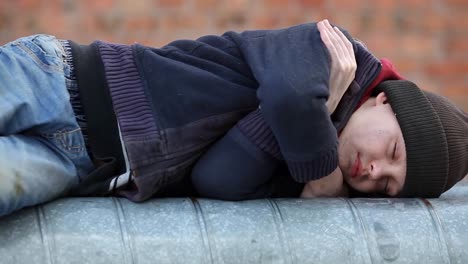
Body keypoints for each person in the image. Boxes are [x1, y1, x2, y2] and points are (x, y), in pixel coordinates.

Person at [0, 19, 466, 217]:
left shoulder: (305, 159)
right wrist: (322, 172)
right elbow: (287, 95)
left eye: (387, 185)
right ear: (383, 102)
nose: (374, 171)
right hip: (60, 82)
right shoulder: (333, 51)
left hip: (85, 166)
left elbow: (218, 179)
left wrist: (318, 127)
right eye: (393, 151)